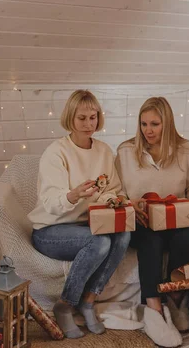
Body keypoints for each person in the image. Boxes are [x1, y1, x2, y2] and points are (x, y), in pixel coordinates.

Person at [28, 90, 130, 339]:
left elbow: (112, 190)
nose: (88, 124)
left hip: (86, 226)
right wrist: (73, 195)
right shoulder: (56, 153)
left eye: (93, 117)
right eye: (81, 118)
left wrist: (115, 200)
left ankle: (88, 301)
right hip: (50, 230)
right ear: (70, 119)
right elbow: (50, 202)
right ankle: (65, 304)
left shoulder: (104, 151)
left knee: (124, 233)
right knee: (100, 240)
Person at [115, 97, 189, 347]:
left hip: (176, 217)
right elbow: (117, 191)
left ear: (167, 124)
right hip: (141, 221)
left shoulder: (187, 150)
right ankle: (153, 308)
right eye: (143, 124)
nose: (148, 130)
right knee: (150, 238)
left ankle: (176, 298)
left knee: (184, 235)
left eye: (155, 124)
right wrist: (129, 203)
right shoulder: (125, 151)